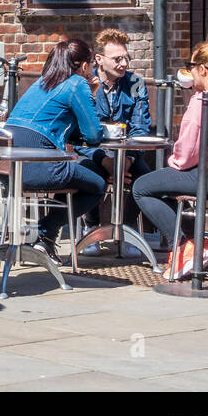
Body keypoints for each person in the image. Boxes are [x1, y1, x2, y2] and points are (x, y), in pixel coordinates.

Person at [133, 33, 208, 278]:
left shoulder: (203, 101)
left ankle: (187, 246)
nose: (189, 71)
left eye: (191, 66)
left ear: (203, 69)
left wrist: (173, 163)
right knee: (165, 186)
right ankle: (196, 244)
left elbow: (185, 155)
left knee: (142, 187)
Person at [4, 38, 105, 265]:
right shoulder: (77, 84)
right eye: (92, 65)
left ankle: (46, 240)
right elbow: (93, 135)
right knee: (97, 185)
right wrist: (92, 94)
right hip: (38, 166)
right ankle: (45, 230)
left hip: (8, 169)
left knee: (75, 172)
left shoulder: (42, 82)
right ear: (84, 66)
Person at [80, 28, 153, 252]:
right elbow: (81, 134)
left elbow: (141, 127)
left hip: (127, 152)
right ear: (99, 59)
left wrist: (128, 160)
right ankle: (91, 227)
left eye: (125, 58)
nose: (124, 64)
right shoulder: (84, 84)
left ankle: (128, 230)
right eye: (117, 59)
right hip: (93, 152)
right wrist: (104, 160)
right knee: (90, 174)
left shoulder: (135, 83)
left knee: (143, 178)